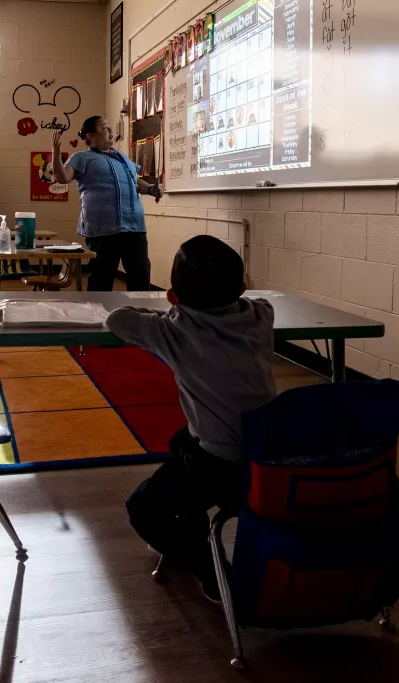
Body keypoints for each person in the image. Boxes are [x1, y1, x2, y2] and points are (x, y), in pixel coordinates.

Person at [106, 235, 276, 601]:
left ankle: (207, 566)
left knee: (143, 507)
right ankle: (194, 527)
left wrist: (166, 314)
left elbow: (117, 319)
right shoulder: (261, 316)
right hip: (269, 455)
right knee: (181, 442)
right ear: (242, 288)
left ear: (172, 297)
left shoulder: (173, 329)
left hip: (219, 464)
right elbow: (263, 301)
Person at [52, 117, 162, 291]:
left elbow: (135, 181)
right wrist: (56, 154)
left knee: (140, 275)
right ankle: (97, 316)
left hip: (134, 227)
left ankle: (139, 314)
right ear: (91, 136)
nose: (111, 131)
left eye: (110, 127)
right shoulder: (82, 158)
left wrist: (150, 189)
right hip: (104, 230)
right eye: (105, 128)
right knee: (102, 278)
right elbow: (62, 177)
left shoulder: (123, 159)